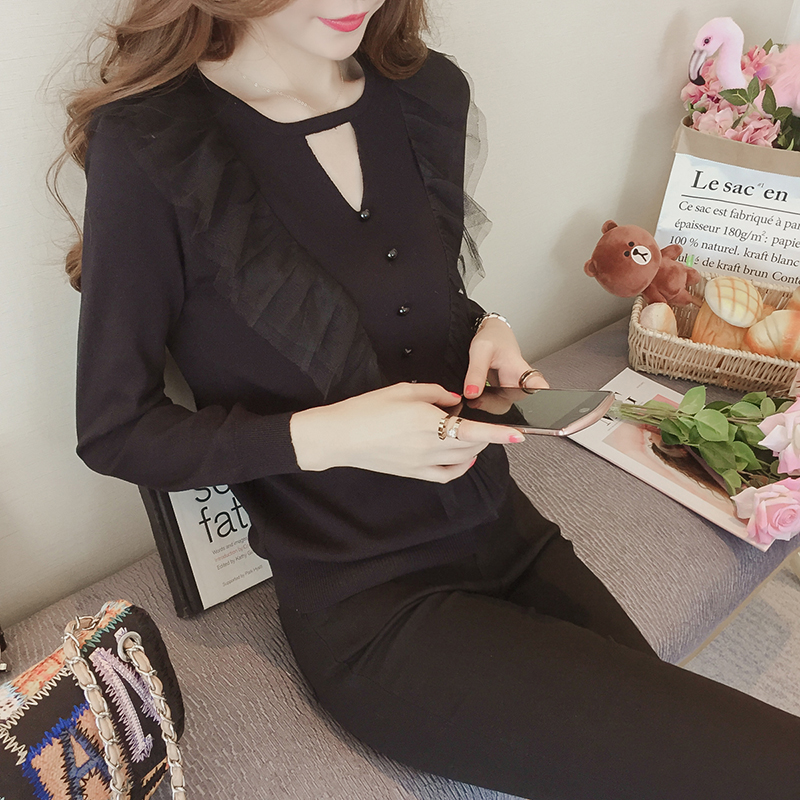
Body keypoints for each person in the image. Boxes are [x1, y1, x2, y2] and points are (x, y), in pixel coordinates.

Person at [57, 1, 800, 798]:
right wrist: (331, 435)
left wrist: (488, 328)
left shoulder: (424, 92)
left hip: (507, 531)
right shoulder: (156, 143)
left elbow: (412, 300)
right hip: (372, 605)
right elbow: (116, 430)